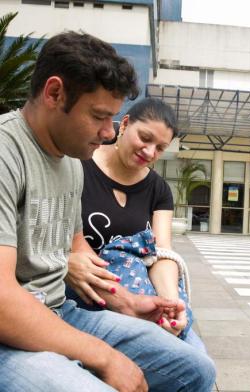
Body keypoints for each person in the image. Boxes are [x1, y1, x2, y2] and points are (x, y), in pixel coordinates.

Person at [0, 31, 216, 392]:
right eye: (100, 116)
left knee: (197, 369)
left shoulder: (69, 161)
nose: (107, 132)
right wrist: (105, 356)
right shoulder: (8, 153)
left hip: (62, 313)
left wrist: (129, 302)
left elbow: (76, 245)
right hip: (10, 334)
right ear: (54, 93)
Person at [66, 98, 206, 349]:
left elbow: (162, 253)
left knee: (196, 353)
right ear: (125, 124)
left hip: (139, 294)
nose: (150, 152)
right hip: (83, 293)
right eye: (145, 138)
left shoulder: (159, 189)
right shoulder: (77, 166)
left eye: (160, 148)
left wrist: (170, 304)